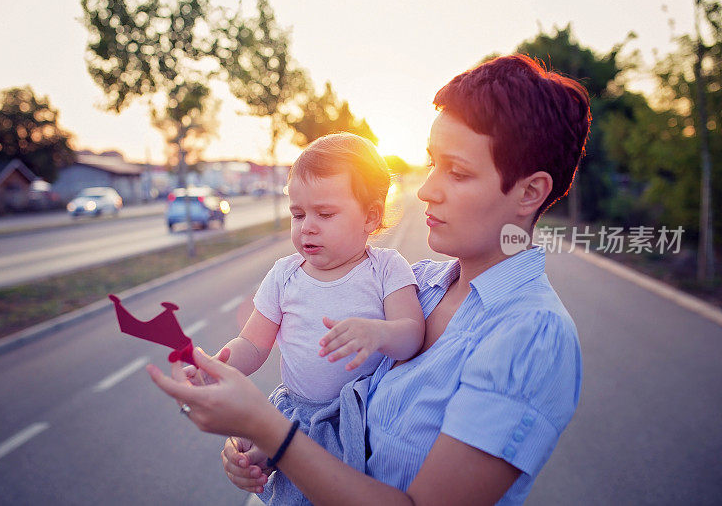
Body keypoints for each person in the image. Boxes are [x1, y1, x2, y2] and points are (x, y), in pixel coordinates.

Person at [147, 54, 590, 505]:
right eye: (431, 164)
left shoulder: (532, 334)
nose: (427, 189)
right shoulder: (423, 284)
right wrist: (261, 446)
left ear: (530, 191)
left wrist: (270, 430)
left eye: (457, 173)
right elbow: (340, 412)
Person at [196, 133, 425, 504]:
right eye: (298, 214)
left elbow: (413, 335)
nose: (307, 227)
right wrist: (218, 367)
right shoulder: (285, 275)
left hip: (359, 419)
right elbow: (253, 344)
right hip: (297, 415)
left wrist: (378, 333)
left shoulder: (386, 269)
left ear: (371, 216)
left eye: (325, 214)